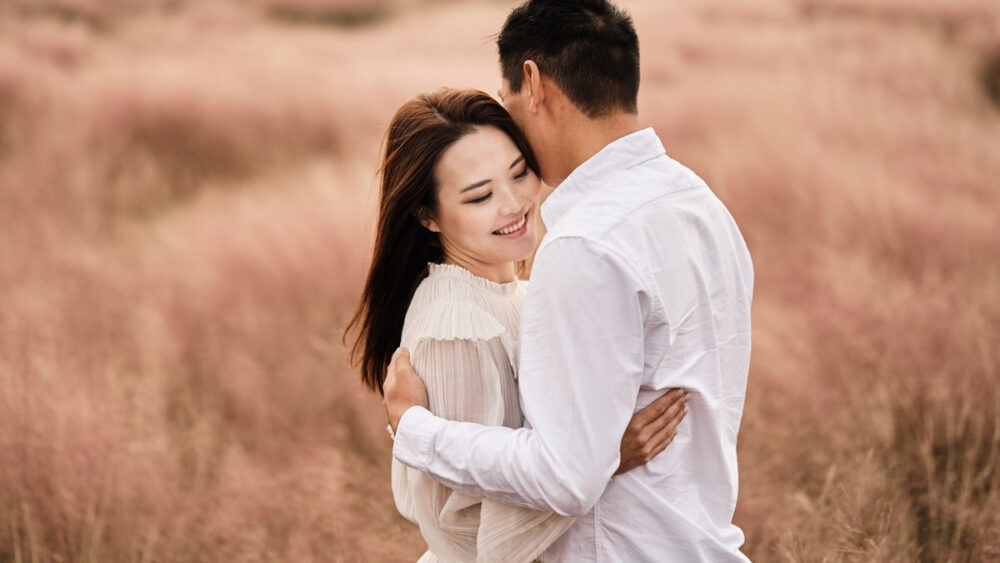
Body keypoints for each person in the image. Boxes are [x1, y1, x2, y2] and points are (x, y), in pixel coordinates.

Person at [383, 0, 755, 561]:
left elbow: (566, 477)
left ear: (531, 83)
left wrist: (413, 430)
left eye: (507, 99)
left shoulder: (584, 244)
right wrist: (606, 452)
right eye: (479, 193)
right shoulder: (702, 206)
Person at [345, 88, 689, 562]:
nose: (514, 203)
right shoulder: (458, 327)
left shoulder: (519, 290)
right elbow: (465, 532)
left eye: (520, 172)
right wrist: (602, 461)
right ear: (427, 216)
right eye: (480, 196)